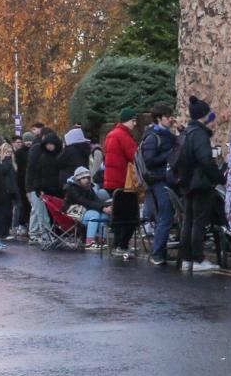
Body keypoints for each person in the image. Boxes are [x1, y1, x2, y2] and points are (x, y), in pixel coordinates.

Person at [180, 97, 224, 272]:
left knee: (188, 222)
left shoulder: (187, 132)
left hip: (187, 183)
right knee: (198, 222)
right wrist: (219, 178)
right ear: (204, 116)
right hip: (200, 184)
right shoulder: (199, 134)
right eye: (210, 115)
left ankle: (187, 259)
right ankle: (198, 259)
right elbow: (206, 160)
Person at [140, 104, 178, 265]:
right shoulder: (152, 137)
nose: (171, 118)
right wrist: (168, 155)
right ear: (159, 118)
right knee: (166, 215)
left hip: (165, 179)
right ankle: (157, 254)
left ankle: (160, 251)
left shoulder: (166, 135)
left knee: (166, 216)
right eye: (168, 116)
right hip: (157, 180)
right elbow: (149, 160)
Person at [103, 109, 139, 256]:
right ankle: (122, 245)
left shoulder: (111, 134)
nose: (135, 124)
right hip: (123, 181)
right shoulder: (123, 136)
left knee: (118, 215)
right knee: (129, 216)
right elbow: (134, 156)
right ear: (128, 120)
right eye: (134, 121)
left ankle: (118, 245)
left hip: (111, 181)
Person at [64, 166, 112, 248]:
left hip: (86, 210)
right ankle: (89, 242)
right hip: (73, 210)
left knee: (104, 214)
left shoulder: (89, 187)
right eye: (84, 178)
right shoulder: (72, 188)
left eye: (88, 178)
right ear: (78, 179)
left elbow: (97, 201)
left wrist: (108, 207)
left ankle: (101, 240)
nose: (87, 180)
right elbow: (84, 202)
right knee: (94, 214)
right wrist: (102, 208)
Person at [0, 140, 19, 240]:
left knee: (9, 211)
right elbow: (3, 172)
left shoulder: (11, 162)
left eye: (10, 152)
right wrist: (7, 158)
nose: (9, 153)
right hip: (5, 190)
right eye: (7, 151)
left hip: (11, 190)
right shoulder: (4, 162)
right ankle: (3, 233)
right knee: (5, 212)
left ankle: (7, 230)